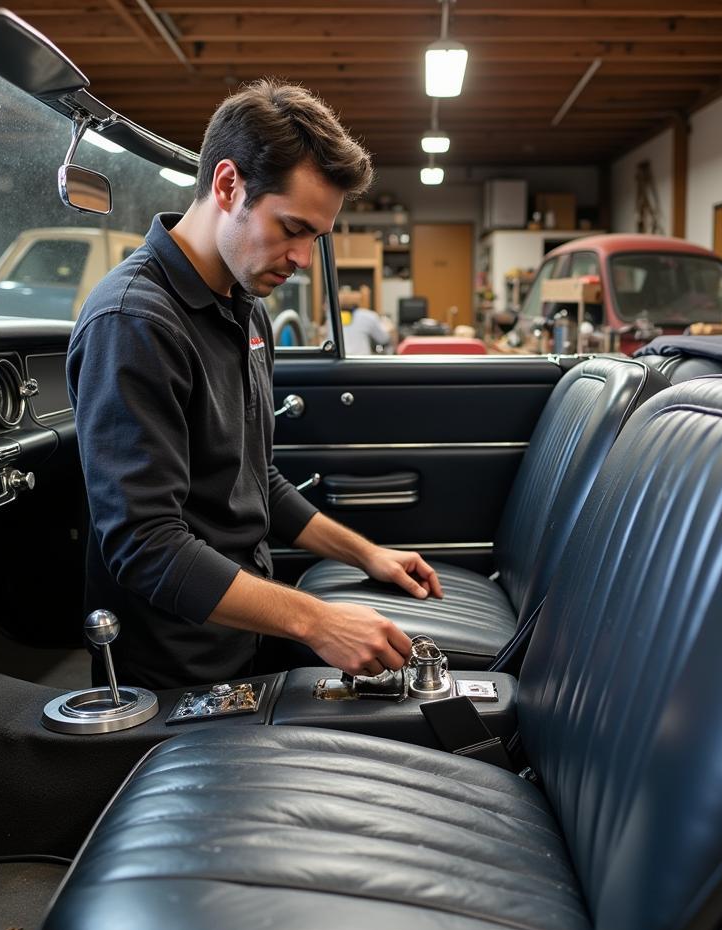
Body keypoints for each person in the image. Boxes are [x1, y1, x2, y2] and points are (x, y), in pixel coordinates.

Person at [67, 80, 442, 690]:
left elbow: (253, 477)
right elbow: (145, 546)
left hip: (249, 632)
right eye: (292, 227)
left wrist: (366, 553)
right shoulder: (134, 322)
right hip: (177, 669)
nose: (301, 258)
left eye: (315, 237)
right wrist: (317, 621)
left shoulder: (247, 307)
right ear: (226, 185)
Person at [339, 287, 392, 355]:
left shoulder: (333, 317)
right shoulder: (368, 316)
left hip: (339, 363)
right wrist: (388, 327)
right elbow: (383, 339)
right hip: (361, 361)